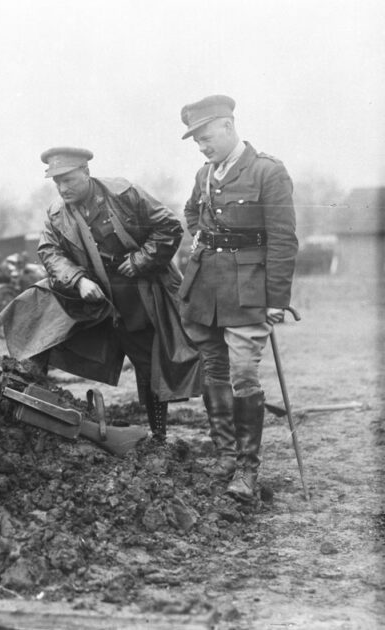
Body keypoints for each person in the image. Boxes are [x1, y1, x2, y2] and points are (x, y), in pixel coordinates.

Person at [1, 148, 201, 442]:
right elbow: (49, 252)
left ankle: (159, 436)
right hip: (94, 295)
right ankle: (29, 389)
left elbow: (169, 227)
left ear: (86, 172)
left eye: (68, 179)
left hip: (140, 292)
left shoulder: (124, 194)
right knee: (38, 304)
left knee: (150, 363)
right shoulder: (57, 213)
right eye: (57, 182)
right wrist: (78, 280)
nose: (63, 188)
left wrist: (139, 261)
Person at [178, 95, 298, 500]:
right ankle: (226, 455)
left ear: (228, 126)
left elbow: (283, 238)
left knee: (243, 372)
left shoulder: (268, 172)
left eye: (207, 137)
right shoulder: (203, 175)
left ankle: (247, 469)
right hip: (206, 287)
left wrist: (277, 298)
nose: (202, 147)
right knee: (213, 367)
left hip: (249, 289)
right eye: (197, 142)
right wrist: (200, 235)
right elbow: (191, 212)